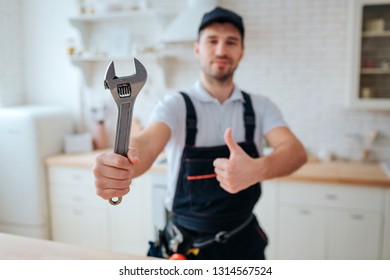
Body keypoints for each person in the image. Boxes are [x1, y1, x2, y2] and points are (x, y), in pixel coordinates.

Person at [93, 6, 307, 260]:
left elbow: (295, 152)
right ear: (197, 49)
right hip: (186, 248)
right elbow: (146, 145)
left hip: (244, 244)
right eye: (212, 41)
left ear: (241, 51)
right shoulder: (175, 105)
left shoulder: (261, 107)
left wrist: (258, 169)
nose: (221, 50)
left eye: (231, 42)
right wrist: (122, 166)